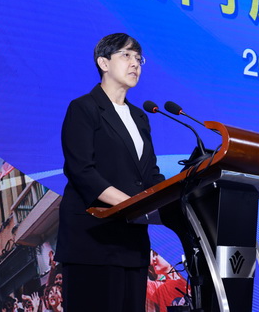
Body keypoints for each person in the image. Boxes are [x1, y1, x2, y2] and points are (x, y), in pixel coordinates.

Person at [55, 33, 165, 312]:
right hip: (92, 240)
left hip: (131, 243)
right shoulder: (83, 108)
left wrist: (175, 198)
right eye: (126, 55)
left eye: (138, 58)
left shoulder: (140, 117)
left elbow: (150, 174)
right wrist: (132, 205)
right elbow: (82, 170)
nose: (135, 64)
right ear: (103, 63)